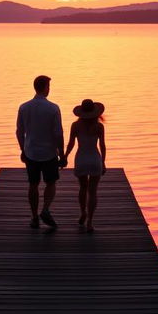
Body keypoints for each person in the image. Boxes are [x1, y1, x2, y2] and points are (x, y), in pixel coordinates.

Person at [16, 74, 65, 229]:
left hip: (31, 152)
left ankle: (34, 217)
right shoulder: (53, 108)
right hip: (49, 152)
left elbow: (19, 131)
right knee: (51, 183)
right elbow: (58, 133)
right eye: (48, 87)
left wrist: (22, 149)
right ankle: (45, 209)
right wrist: (62, 153)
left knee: (33, 184)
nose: (49, 89)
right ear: (45, 88)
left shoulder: (24, 107)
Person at [64, 98, 106, 233]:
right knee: (93, 192)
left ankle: (83, 213)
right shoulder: (99, 126)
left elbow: (71, 143)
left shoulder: (75, 126)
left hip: (81, 159)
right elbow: (102, 145)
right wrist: (103, 162)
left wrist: (65, 156)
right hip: (94, 159)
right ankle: (90, 222)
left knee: (83, 188)